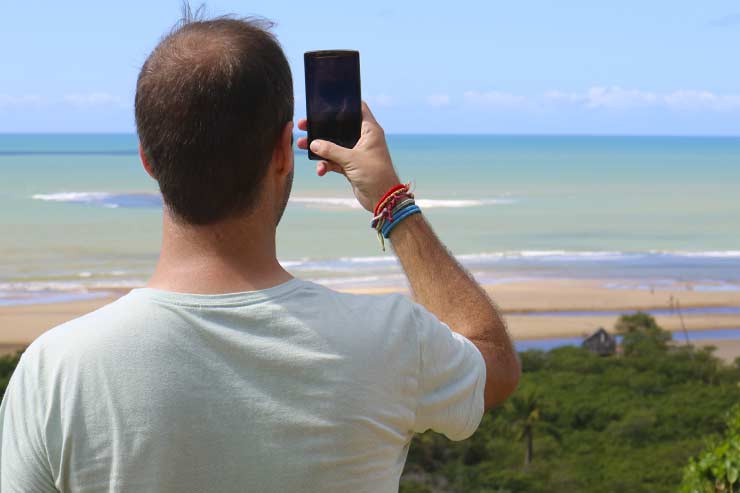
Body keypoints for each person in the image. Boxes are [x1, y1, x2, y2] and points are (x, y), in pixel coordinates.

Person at [0, 14, 520, 493]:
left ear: (148, 158)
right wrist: (390, 202)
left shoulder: (56, 371)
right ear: (281, 151)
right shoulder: (390, 340)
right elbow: (494, 364)